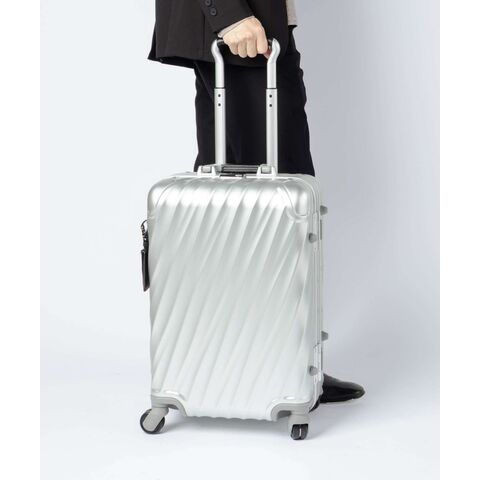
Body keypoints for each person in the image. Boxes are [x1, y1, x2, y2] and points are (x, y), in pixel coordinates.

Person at [148, 0, 365, 404]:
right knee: (266, 210)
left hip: (257, 26)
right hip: (241, 28)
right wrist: (228, 14)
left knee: (249, 204)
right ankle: (272, 374)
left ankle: (270, 370)